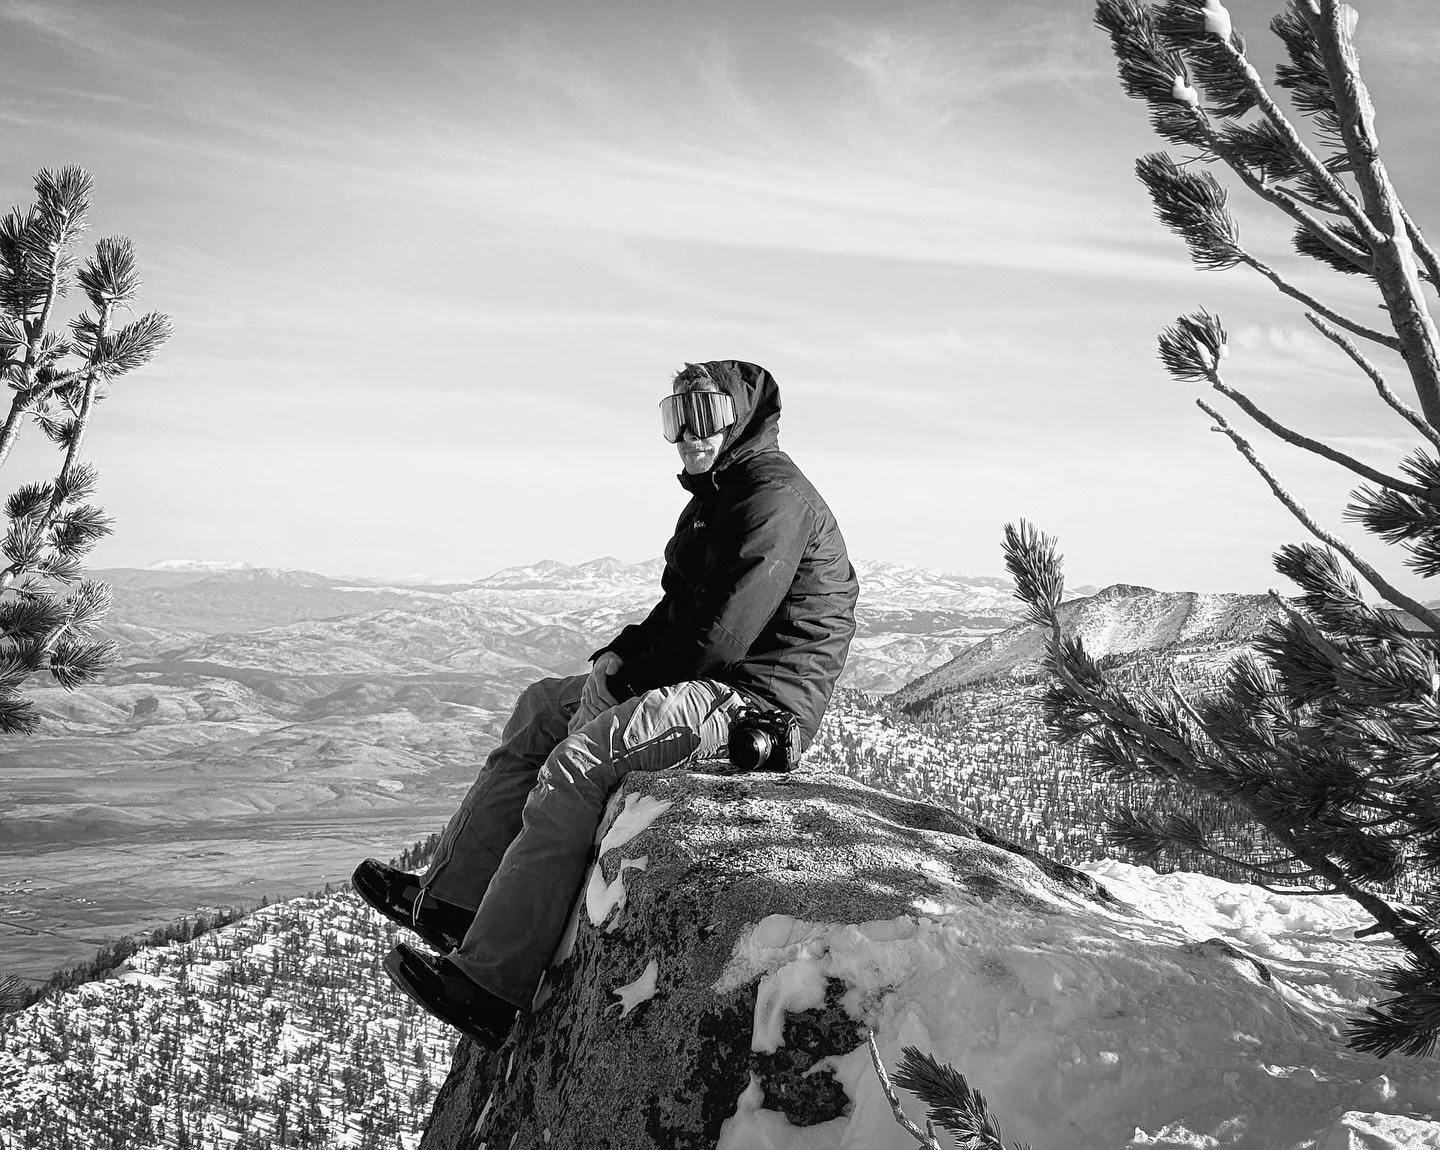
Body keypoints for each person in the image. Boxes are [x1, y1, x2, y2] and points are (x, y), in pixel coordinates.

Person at [352, 359, 858, 1049]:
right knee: (541, 708)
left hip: (750, 704)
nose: (686, 435)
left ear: (738, 418)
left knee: (577, 762)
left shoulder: (772, 499)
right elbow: (680, 612)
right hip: (705, 681)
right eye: (674, 419)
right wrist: (615, 661)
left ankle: (491, 987)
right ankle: (454, 903)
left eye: (702, 417)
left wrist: (622, 689)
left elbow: (722, 635)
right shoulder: (722, 494)